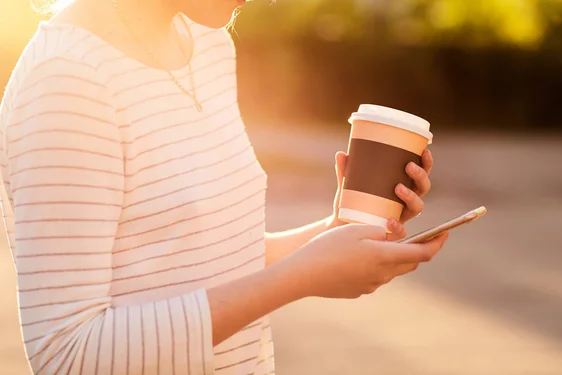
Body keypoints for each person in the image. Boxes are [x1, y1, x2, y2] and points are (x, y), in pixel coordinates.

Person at [0, 0, 449, 374]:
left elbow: (206, 259)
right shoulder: (68, 79)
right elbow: (67, 355)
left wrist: (335, 235)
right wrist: (301, 277)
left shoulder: (208, 43)